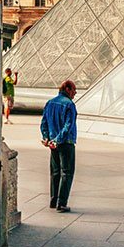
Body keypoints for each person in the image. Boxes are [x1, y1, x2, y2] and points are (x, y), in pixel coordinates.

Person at [41, 78, 78, 212]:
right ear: (67, 89)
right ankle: (61, 203)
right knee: (67, 173)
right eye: (74, 90)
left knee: (55, 172)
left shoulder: (50, 103)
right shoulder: (69, 105)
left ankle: (53, 200)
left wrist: (46, 138)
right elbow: (68, 125)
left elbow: (44, 122)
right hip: (66, 143)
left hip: (52, 144)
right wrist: (58, 139)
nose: (75, 93)